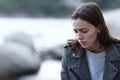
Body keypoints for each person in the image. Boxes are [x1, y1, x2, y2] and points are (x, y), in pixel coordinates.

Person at [61, 2, 120, 80]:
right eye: (76, 31)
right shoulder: (69, 52)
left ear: (99, 28)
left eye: (84, 31)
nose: (79, 37)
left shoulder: (118, 51)